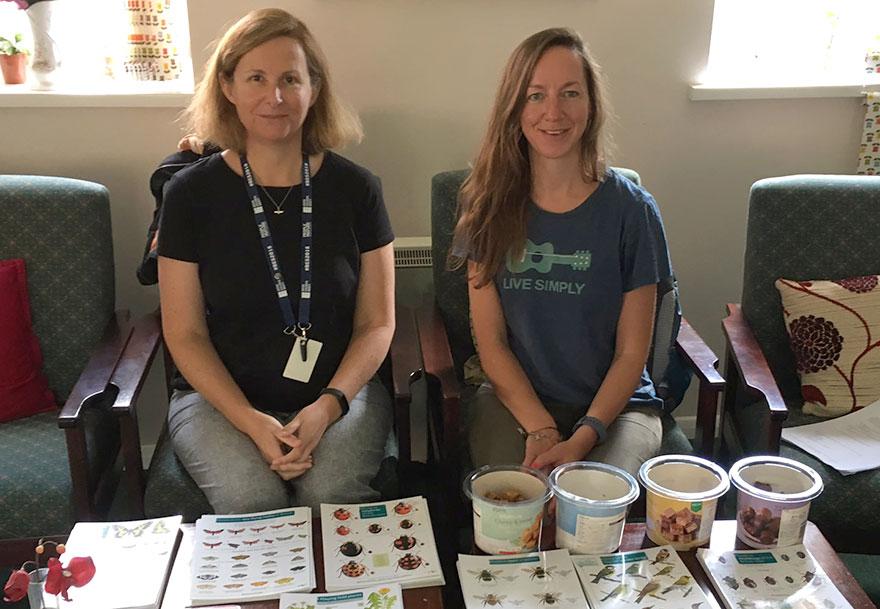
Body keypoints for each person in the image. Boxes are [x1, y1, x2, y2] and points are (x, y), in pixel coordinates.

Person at [157, 8, 395, 513]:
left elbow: (377, 324)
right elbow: (185, 334)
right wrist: (248, 419)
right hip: (219, 402)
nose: (276, 97)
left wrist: (328, 406)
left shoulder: (358, 189)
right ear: (228, 87)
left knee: (330, 495)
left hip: (339, 394)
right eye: (257, 78)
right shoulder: (189, 195)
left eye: (291, 78)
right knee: (251, 496)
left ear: (314, 88)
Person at [452, 28, 672, 477]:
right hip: (517, 401)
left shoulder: (632, 211)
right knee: (515, 507)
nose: (553, 112)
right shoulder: (486, 206)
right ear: (514, 107)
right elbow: (491, 343)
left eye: (570, 93)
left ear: (591, 105)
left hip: (618, 408)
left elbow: (633, 353)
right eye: (535, 96)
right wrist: (543, 430)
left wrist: (585, 435)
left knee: (591, 507)